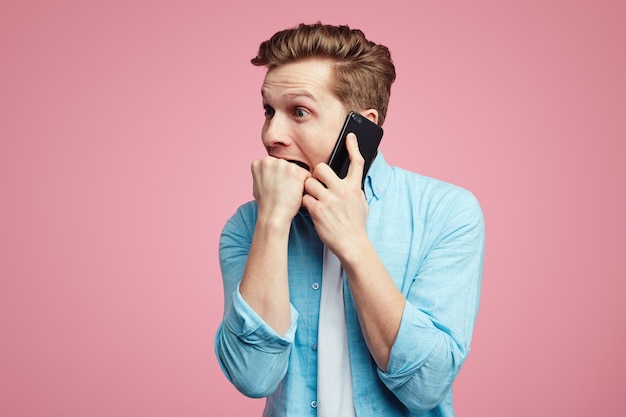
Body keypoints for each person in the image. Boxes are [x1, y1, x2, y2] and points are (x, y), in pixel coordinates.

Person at [214, 22, 484, 417]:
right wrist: (272, 222)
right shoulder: (246, 226)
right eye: (269, 110)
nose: (272, 133)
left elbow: (427, 385)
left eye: (299, 112)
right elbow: (253, 377)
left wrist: (353, 244)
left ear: (360, 128)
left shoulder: (447, 213)